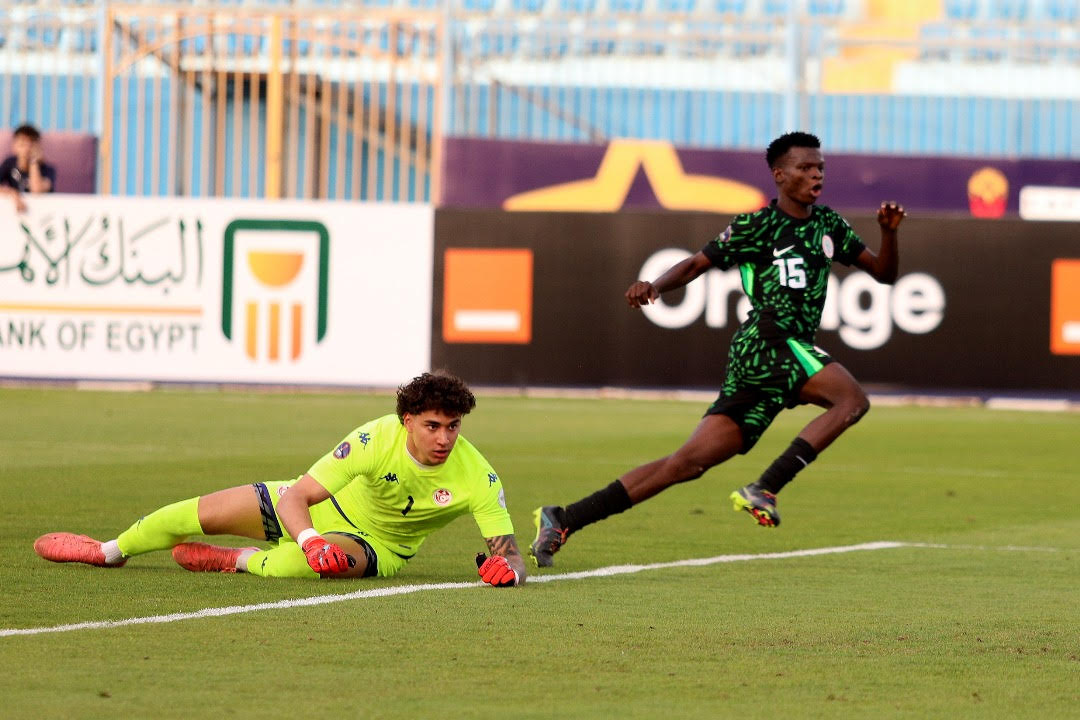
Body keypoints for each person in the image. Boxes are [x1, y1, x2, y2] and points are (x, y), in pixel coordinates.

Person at [529, 131, 906, 567]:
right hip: (768, 342)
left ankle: (565, 518)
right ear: (780, 175)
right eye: (805, 168)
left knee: (685, 465)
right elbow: (696, 263)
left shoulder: (829, 225)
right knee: (852, 400)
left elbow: (884, 273)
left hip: (782, 354)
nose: (816, 175)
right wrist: (655, 286)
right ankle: (765, 487)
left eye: (820, 167)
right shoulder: (756, 227)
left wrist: (888, 233)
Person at [34, 371, 527, 587]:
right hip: (315, 511)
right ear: (407, 421)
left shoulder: (477, 476)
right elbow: (299, 496)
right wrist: (311, 538)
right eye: (433, 426)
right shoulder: (374, 439)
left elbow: (512, 556)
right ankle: (108, 551)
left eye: (453, 426)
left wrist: (509, 572)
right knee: (192, 513)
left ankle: (237, 560)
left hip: (377, 545)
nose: (444, 438)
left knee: (302, 568)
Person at [0, 124, 56, 212]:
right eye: (22, 144)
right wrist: (13, 194)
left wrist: (33, 161)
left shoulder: (47, 169)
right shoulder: (9, 163)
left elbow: (36, 191)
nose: (27, 148)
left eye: (31, 144)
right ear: (14, 146)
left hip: (42, 213)